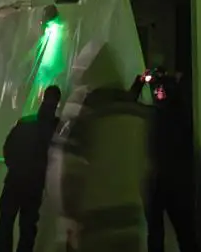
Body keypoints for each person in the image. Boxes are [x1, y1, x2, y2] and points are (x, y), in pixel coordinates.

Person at [40, 42, 148, 252]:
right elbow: (145, 168)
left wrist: (67, 215)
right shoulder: (136, 112)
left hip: (94, 225)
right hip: (130, 223)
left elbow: (64, 169)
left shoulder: (85, 108)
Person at [0, 88, 59, 252]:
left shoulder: (25, 122)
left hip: (13, 181)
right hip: (35, 186)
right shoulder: (55, 128)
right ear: (58, 102)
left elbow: (7, 148)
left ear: (43, 98)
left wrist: (15, 167)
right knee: (28, 228)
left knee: (5, 223)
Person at [141, 68, 196, 252]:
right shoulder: (175, 115)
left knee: (167, 232)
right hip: (167, 181)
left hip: (167, 181)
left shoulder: (167, 116)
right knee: (178, 232)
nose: (159, 92)